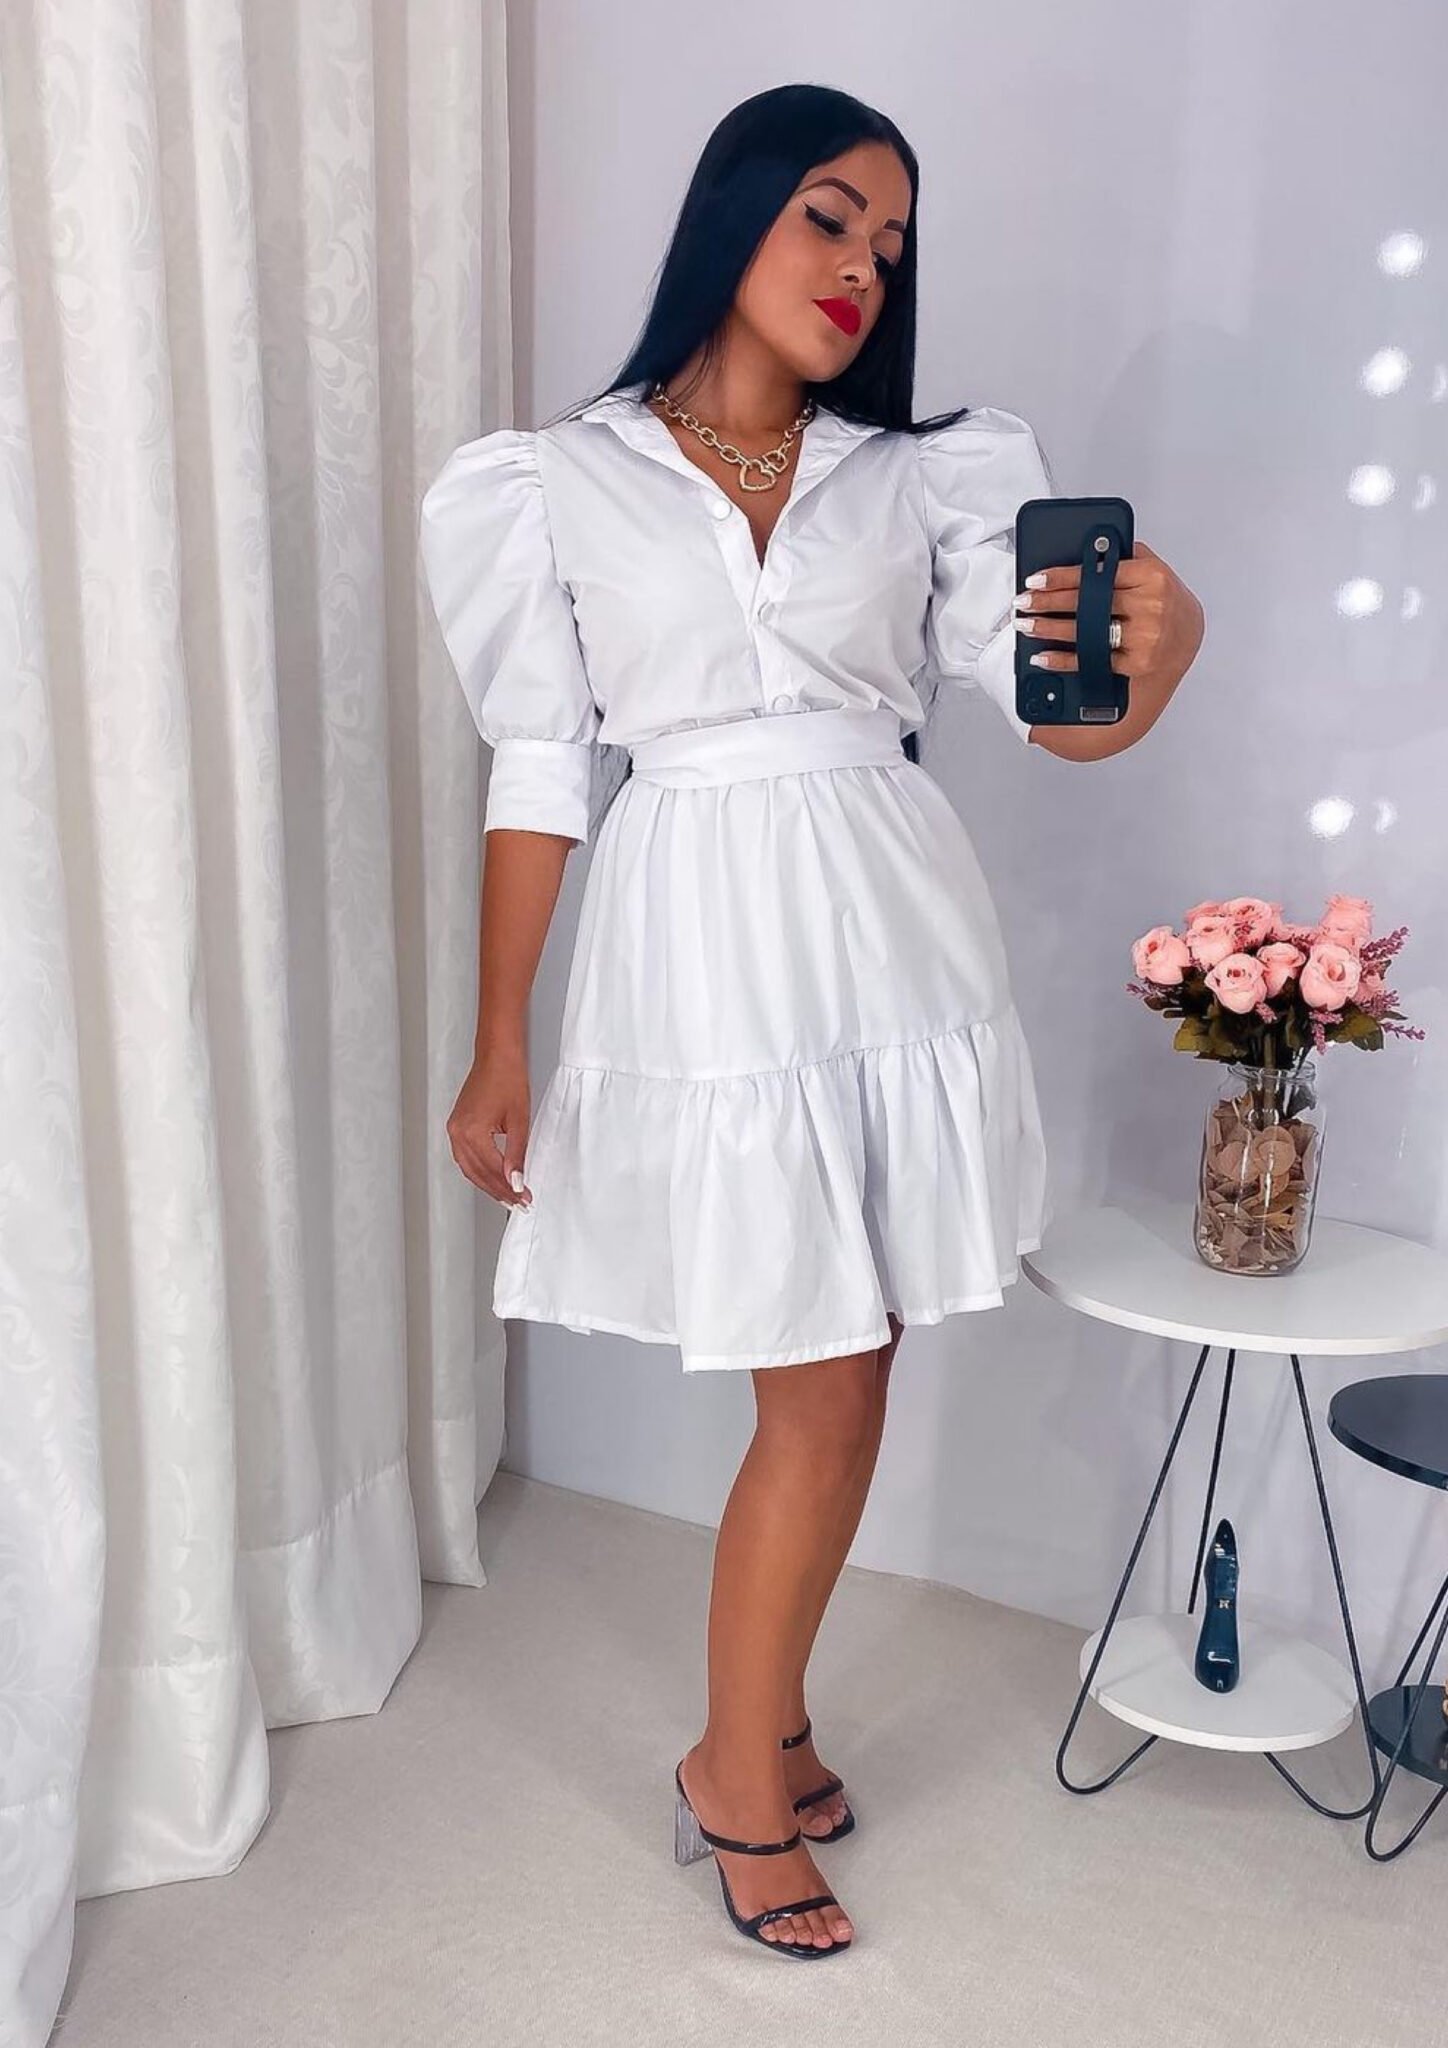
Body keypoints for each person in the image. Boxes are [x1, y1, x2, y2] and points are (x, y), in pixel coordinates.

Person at [418, 82, 1205, 1963]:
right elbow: (541, 768)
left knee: (854, 1369)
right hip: (707, 942)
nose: (864, 269)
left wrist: (1166, 658)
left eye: (893, 245)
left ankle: (758, 1724)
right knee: (822, 1382)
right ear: (735, 211)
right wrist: (501, 1037)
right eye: (830, 218)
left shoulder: (923, 475)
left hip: (890, 929)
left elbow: (1067, 720)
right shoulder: (550, 479)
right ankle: (734, 1777)